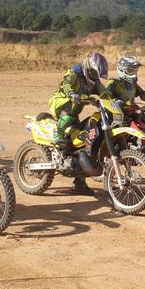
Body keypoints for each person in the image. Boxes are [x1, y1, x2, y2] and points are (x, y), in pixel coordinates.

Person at [47, 52, 109, 195]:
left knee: (83, 143)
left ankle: (79, 183)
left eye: (96, 73)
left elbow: (105, 94)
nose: (95, 75)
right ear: (88, 67)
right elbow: (66, 83)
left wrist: (114, 102)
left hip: (74, 112)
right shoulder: (76, 71)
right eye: (93, 72)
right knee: (72, 105)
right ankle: (58, 131)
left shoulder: (94, 82)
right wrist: (71, 93)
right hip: (61, 103)